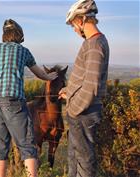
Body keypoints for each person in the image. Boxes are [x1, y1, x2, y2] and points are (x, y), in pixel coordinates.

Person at [0, 19, 58, 177]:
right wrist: (52, 76)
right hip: (14, 102)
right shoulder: (23, 51)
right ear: (19, 36)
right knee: (27, 146)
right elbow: (41, 74)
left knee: (0, 148)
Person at [58, 0, 109, 176]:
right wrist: (69, 91)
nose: (74, 29)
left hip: (84, 113)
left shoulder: (95, 44)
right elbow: (83, 78)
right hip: (82, 111)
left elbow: (91, 85)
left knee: (84, 161)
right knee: (74, 157)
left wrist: (74, 108)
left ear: (81, 20)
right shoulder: (91, 42)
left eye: (73, 25)